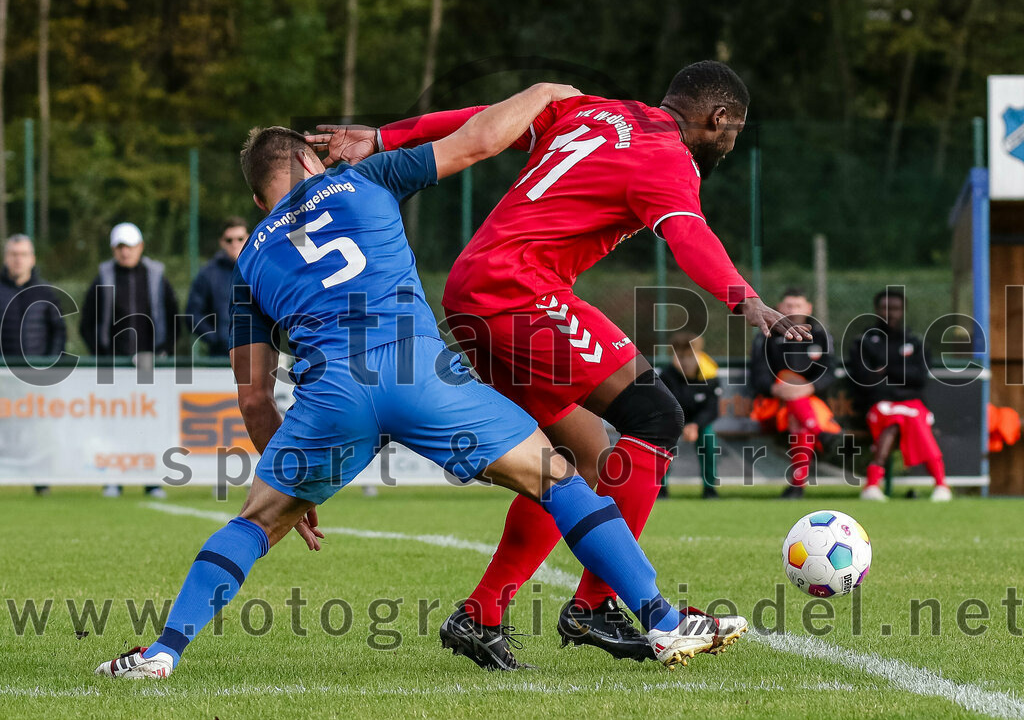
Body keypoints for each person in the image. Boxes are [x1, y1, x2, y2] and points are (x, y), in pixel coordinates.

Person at [95, 83, 748, 681]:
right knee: (558, 476)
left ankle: (162, 652)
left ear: (257, 197)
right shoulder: (365, 178)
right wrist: (544, 94)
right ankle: (661, 621)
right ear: (307, 163)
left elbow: (253, 395)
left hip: (332, 400)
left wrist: (291, 474)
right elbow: (478, 141)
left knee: (255, 523)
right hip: (420, 374)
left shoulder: (251, 259)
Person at [309, 60, 808, 668]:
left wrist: (388, 135)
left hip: (474, 287)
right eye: (734, 133)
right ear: (719, 118)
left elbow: (484, 122)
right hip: (521, 291)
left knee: (578, 456)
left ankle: (482, 614)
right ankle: (598, 606)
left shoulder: (595, 110)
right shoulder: (667, 157)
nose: (731, 143)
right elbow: (689, 237)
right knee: (655, 414)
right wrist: (749, 303)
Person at [80, 222, 179, 499]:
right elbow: (87, 323)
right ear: (114, 249)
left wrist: (162, 353)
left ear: (141, 247)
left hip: (151, 367)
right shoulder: (103, 275)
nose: (126, 252)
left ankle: (152, 480)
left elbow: (174, 318)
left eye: (131, 246)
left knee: (152, 425)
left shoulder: (157, 275)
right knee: (114, 425)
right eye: (121, 247)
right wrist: (102, 356)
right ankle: (114, 478)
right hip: (113, 369)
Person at [845, 289, 951, 502]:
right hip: (879, 405)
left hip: (911, 404)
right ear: (876, 310)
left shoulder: (914, 341)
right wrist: (900, 375)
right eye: (884, 308)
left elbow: (919, 377)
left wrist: (886, 369)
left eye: (894, 308)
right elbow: (864, 379)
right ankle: (941, 483)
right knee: (896, 420)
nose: (889, 313)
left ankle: (873, 484)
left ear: (903, 311)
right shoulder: (864, 341)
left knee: (909, 417)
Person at [749, 288, 839, 499]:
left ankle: (797, 486)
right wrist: (776, 388)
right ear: (779, 308)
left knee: (798, 418)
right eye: (788, 306)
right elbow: (758, 374)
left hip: (809, 405)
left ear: (808, 308)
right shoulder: (766, 335)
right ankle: (819, 435)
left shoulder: (820, 336)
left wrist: (808, 388)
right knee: (787, 387)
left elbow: (829, 372)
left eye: (798, 305)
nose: (793, 310)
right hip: (772, 406)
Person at [0, 234, 67, 495]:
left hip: (36, 378)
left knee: (38, 429)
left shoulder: (46, 292)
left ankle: (41, 481)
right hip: (3, 376)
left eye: (23, 254)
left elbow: (58, 332)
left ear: (32, 259)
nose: (18, 260)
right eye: (13, 254)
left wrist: (48, 364)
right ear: (6, 258)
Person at [657, 331, 722, 499]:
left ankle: (710, 488)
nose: (684, 361)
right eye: (679, 356)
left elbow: (712, 409)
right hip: (673, 422)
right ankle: (660, 488)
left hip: (698, 423)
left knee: (708, 437)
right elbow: (665, 406)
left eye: (688, 356)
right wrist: (680, 424)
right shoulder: (667, 376)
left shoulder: (710, 375)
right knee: (661, 438)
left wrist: (695, 425)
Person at [186, 216, 250, 358]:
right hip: (220, 356)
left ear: (248, 238)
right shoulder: (208, 274)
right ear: (222, 242)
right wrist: (216, 339)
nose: (234, 244)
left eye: (240, 239)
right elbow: (193, 314)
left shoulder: (259, 269)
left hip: (258, 353)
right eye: (229, 240)